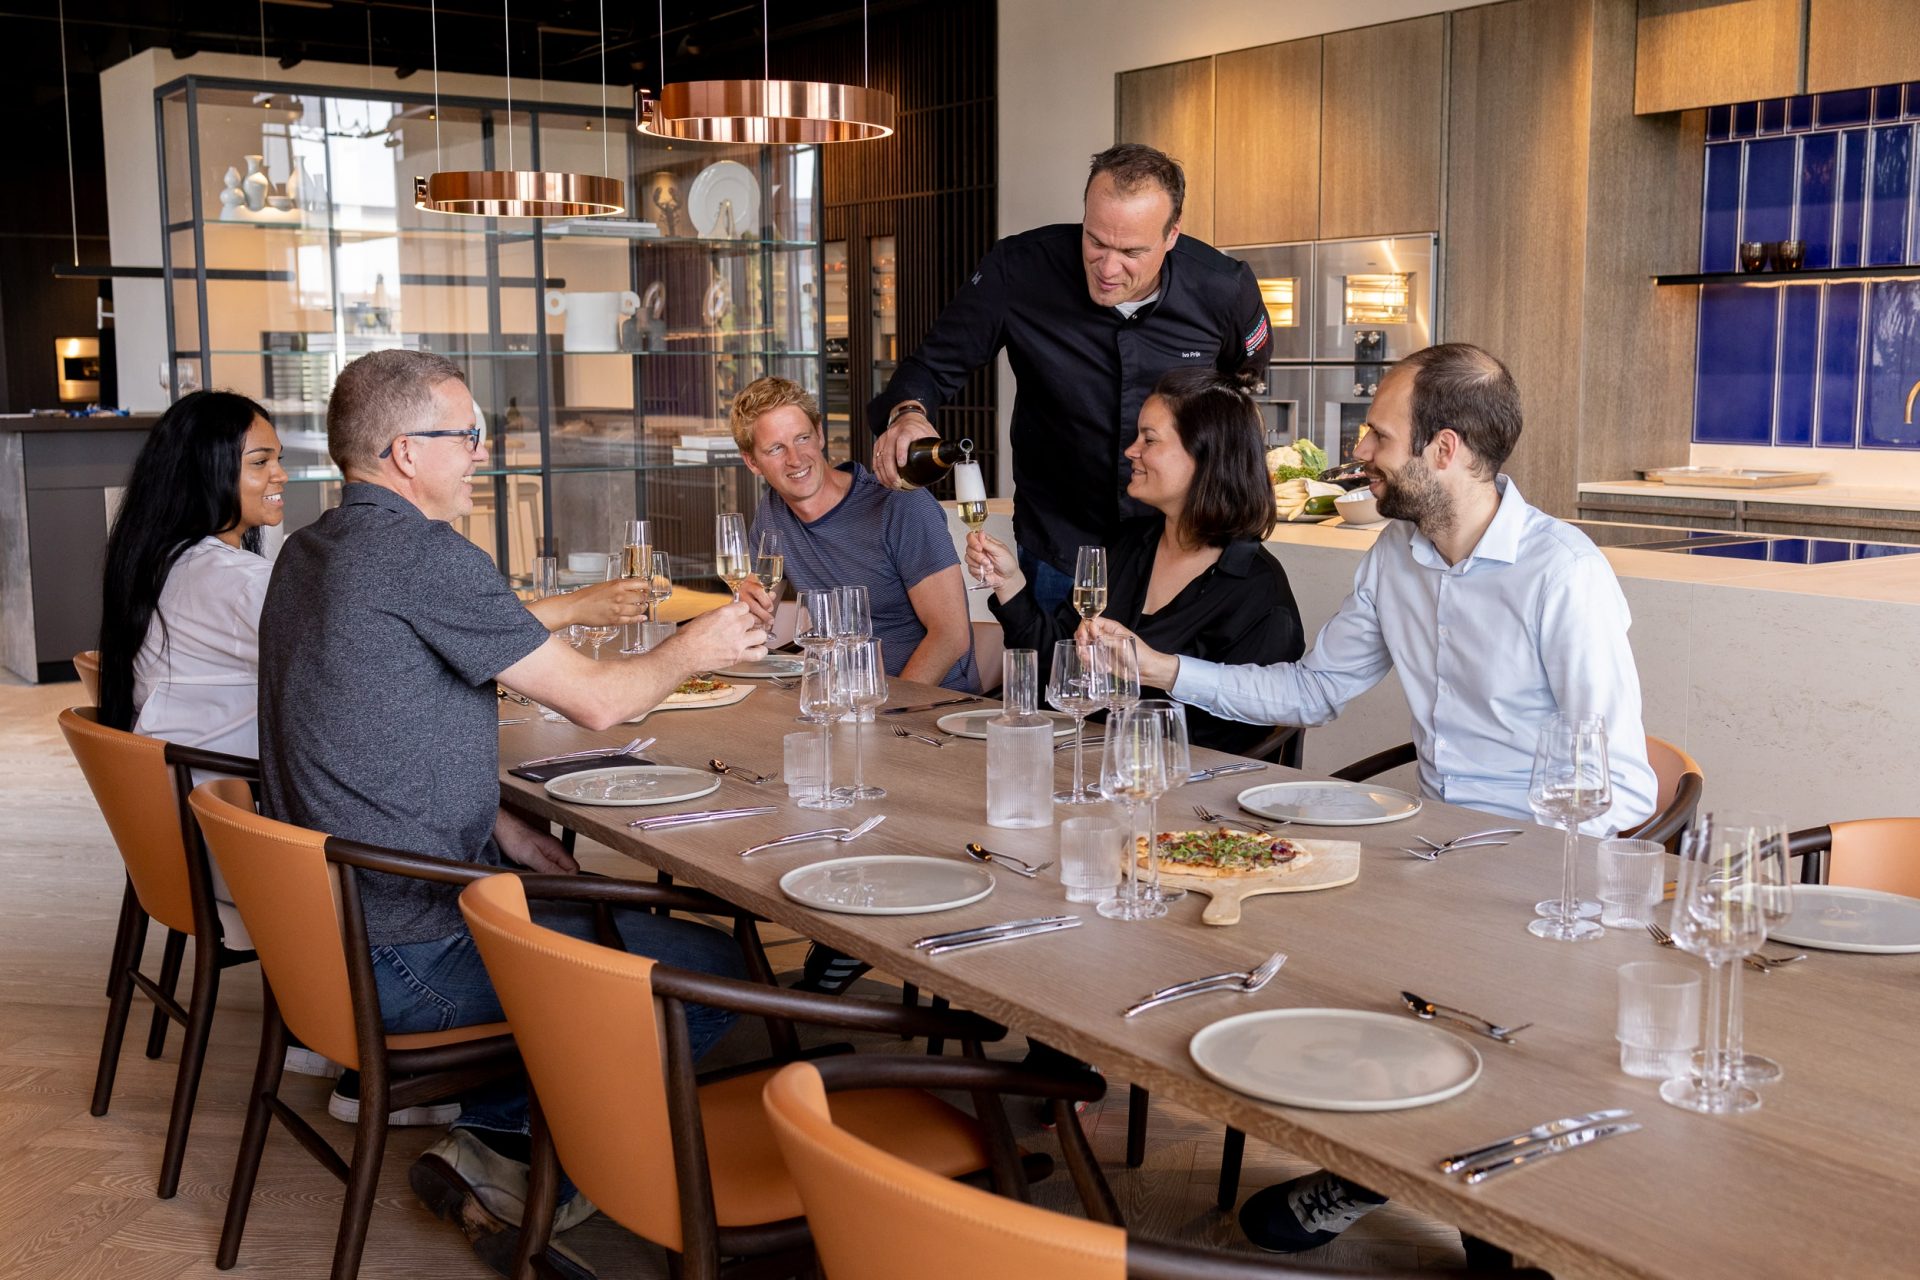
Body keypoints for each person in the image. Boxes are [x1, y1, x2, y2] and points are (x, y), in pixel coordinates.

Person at [1087, 342, 1656, 1254]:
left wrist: (1532, 884)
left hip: (1531, 865)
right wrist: (1158, 667)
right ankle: (1376, 1169)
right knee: (1324, 967)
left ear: (1443, 449)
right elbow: (1308, 692)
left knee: (1459, 1008)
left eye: (1379, 432)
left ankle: (1481, 1212)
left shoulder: (1563, 573)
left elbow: (1621, 782)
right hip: (1432, 847)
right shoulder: (1397, 556)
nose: (1361, 447)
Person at [257, 349, 768, 1279]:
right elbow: (600, 704)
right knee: (705, 970)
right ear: (405, 452)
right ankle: (544, 1172)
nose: (483, 451)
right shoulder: (421, 553)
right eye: (467, 434)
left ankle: (489, 1139)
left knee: (589, 911)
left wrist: (496, 817)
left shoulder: (311, 547)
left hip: (328, 935)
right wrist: (700, 641)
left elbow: (356, 724)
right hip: (407, 952)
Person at [870, 142, 1272, 613]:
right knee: (1054, 680)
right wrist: (908, 415)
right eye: (1096, 241)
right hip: (1060, 542)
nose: (1107, 268)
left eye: (1132, 251)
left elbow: (1243, 385)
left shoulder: (1224, 287)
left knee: (1173, 685)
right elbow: (930, 367)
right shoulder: (1019, 270)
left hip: (1182, 545)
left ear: (1171, 235)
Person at [968, 366, 1303, 755]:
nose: (1131, 450)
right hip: (1083, 767)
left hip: (1175, 793)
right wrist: (1009, 583)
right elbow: (1054, 664)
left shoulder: (1256, 589)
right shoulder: (1130, 545)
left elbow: (1238, 738)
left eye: (1149, 439)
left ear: (1205, 455)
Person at [736, 376, 975, 691]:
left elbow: (951, 635)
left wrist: (885, 711)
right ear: (752, 462)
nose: (795, 458)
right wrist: (750, 610)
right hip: (838, 699)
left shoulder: (901, 504)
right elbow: (760, 616)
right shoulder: (771, 514)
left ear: (821, 434)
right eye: (777, 448)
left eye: (803, 438)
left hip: (925, 708)